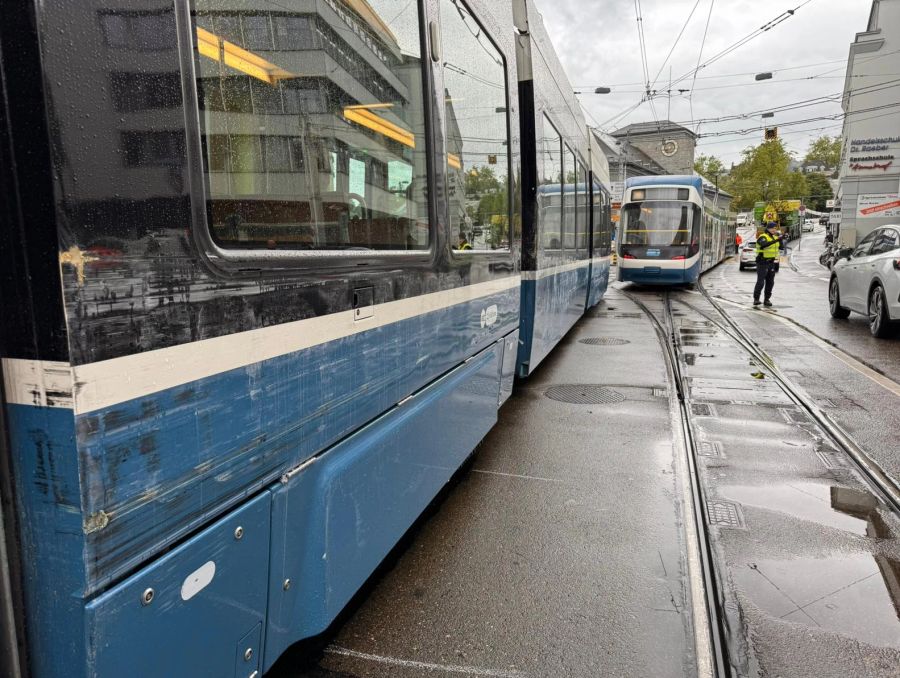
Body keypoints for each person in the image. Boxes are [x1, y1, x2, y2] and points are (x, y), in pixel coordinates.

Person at [753, 222, 784, 307]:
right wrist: (776, 240)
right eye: (772, 228)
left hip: (771, 263)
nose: (774, 230)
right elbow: (764, 245)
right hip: (762, 262)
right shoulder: (763, 237)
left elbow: (781, 248)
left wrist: (781, 240)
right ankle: (756, 299)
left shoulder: (775, 237)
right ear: (768, 228)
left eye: (775, 228)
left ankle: (767, 299)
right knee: (761, 282)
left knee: (770, 282)